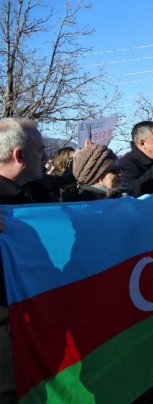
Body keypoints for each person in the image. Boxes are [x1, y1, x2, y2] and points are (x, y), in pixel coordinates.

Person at [0, 118, 52, 402]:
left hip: (41, 331)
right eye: (41, 149)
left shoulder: (37, 191)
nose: (46, 157)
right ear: (19, 155)